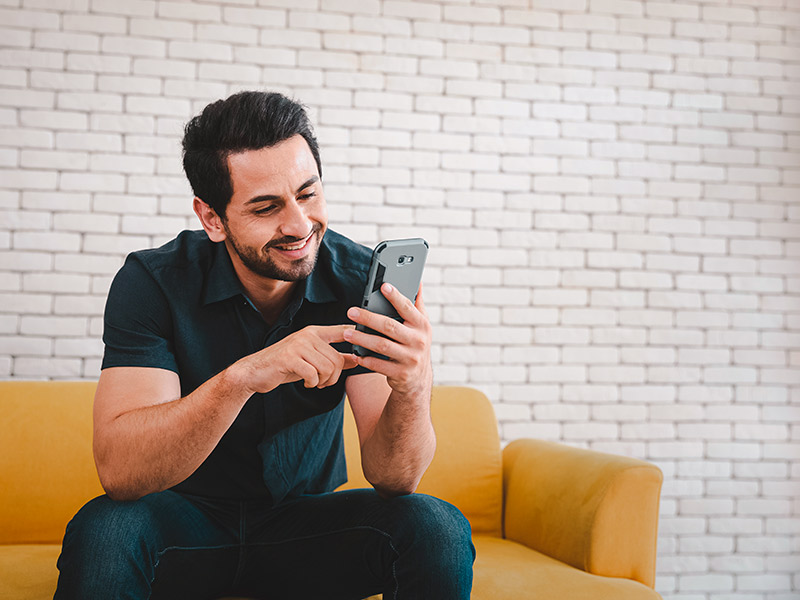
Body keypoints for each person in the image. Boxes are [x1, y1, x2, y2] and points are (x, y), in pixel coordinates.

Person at [54, 91, 474, 599]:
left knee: (435, 525)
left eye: (308, 194)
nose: (299, 225)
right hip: (186, 528)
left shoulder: (357, 282)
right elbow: (121, 474)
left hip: (309, 530)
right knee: (106, 527)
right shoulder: (153, 282)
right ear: (212, 218)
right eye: (266, 207)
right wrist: (242, 379)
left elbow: (395, 478)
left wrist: (413, 382)